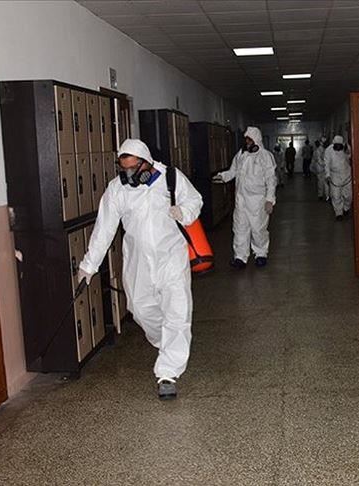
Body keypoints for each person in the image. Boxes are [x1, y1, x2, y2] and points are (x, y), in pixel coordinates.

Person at [77, 139, 203, 401]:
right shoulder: (117, 189)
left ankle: (168, 372)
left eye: (134, 168)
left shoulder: (171, 177)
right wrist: (89, 264)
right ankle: (166, 343)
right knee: (140, 309)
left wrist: (184, 211)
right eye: (124, 169)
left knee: (177, 312)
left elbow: (195, 199)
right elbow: (104, 228)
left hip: (171, 258)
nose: (129, 174)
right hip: (138, 261)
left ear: (146, 163)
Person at [213, 126, 277, 268]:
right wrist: (222, 177)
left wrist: (269, 200)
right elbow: (233, 171)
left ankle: (261, 254)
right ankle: (240, 257)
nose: (247, 142)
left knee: (258, 229)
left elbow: (271, 179)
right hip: (241, 199)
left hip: (257, 201)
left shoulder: (265, 156)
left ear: (256, 140)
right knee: (239, 229)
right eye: (246, 140)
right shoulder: (241, 154)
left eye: (250, 140)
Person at [325, 135, 352, 220]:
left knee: (348, 196)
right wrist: (328, 175)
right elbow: (326, 163)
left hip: (347, 175)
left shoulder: (346, 148)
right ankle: (338, 213)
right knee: (336, 196)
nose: (337, 148)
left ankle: (346, 208)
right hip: (335, 176)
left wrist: (348, 151)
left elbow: (350, 156)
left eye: (339, 146)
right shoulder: (328, 150)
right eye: (336, 146)